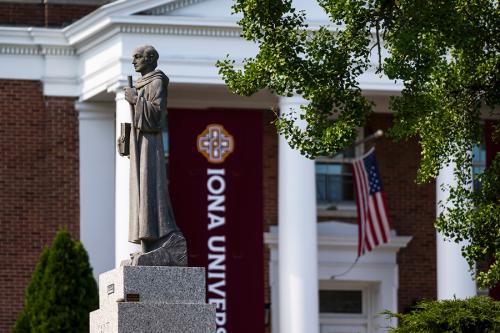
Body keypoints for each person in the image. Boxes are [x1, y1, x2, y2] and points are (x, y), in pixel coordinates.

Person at [123, 45, 187, 266]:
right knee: (140, 193)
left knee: (150, 189)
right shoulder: (142, 83)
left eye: (137, 57)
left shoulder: (157, 81)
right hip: (140, 145)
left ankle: (160, 236)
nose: (133, 62)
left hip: (151, 147)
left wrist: (135, 99)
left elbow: (156, 118)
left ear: (150, 59)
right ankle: (149, 244)